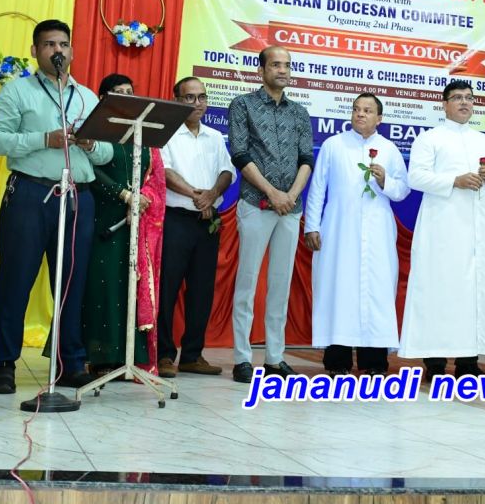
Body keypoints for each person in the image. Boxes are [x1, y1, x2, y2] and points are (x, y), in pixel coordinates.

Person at [0, 19, 112, 394]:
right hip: (30, 194)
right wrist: (44, 139)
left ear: (72, 51)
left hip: (78, 199)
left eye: (63, 44)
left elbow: (106, 153)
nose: (58, 50)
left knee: (72, 283)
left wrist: (89, 144)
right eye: (49, 44)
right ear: (35, 51)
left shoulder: (87, 97)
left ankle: (70, 363)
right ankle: (2, 364)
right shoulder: (17, 91)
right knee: (16, 281)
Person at [398, 79, 485, 377]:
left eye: (469, 98)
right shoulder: (430, 139)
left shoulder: (484, 140)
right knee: (439, 290)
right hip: (442, 227)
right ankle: (435, 362)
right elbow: (416, 177)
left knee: (474, 292)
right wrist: (454, 181)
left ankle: (468, 362)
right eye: (458, 98)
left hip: (478, 228)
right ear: (444, 104)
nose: (465, 102)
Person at [304, 93, 410, 375]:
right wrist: (312, 225)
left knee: (377, 292)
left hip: (378, 233)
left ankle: (374, 363)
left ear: (379, 118)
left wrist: (385, 181)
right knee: (338, 290)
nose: (360, 114)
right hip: (339, 231)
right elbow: (318, 187)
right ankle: (337, 362)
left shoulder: (389, 149)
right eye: (356, 109)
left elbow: (403, 190)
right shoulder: (334, 145)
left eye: (367, 110)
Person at [228, 46, 314, 383]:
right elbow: (239, 154)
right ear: (261, 70)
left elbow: (306, 159)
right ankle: (242, 358)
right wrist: (272, 193)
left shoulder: (300, 113)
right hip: (256, 204)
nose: (282, 70)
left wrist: (290, 195)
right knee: (247, 282)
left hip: (290, 209)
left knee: (281, 284)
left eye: (287, 65)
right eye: (275, 64)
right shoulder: (243, 105)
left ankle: (275, 359)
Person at [81, 74, 166, 376]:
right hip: (102, 216)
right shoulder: (97, 131)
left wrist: (142, 199)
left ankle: (126, 356)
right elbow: (88, 169)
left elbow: (154, 176)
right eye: (119, 92)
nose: (127, 97)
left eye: (130, 92)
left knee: (128, 285)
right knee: (102, 285)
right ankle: (98, 356)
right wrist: (124, 195)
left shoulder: (143, 133)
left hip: (136, 220)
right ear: (103, 99)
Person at [157, 77, 236, 377]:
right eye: (190, 97)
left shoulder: (214, 136)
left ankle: (192, 355)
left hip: (207, 222)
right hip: (176, 219)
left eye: (202, 97)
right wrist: (197, 195)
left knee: (202, 291)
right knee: (167, 289)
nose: (198, 103)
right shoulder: (165, 133)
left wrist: (212, 194)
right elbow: (164, 171)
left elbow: (227, 171)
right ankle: (164, 354)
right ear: (176, 100)